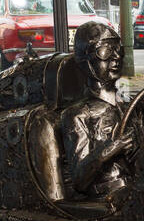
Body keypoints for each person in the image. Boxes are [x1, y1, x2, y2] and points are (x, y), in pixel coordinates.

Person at [59, 21, 138, 199]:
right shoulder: (77, 115)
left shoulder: (128, 104)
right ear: (85, 60)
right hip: (108, 197)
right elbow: (80, 179)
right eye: (106, 51)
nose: (116, 57)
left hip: (137, 188)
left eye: (119, 50)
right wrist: (110, 149)